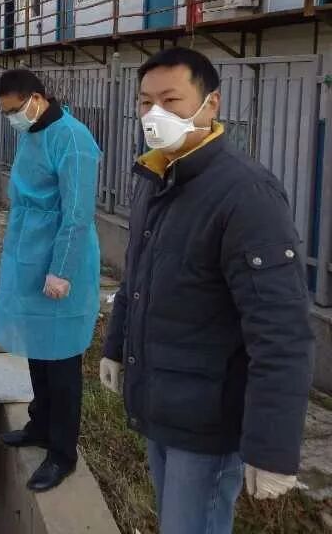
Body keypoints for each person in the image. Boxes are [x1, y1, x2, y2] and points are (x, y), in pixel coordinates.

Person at [100, 47, 313, 534]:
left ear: (211, 103)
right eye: (145, 102)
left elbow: (280, 328)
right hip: (162, 402)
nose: (155, 114)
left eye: (171, 100)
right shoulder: (157, 175)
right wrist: (116, 346)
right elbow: (137, 276)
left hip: (208, 421)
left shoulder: (246, 194)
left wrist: (273, 445)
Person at [0, 69, 101, 492]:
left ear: (36, 99)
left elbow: (77, 212)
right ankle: (39, 425)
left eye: (14, 110)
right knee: (38, 350)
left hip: (59, 256)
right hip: (30, 251)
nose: (12, 119)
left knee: (62, 361)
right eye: (6, 113)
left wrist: (62, 270)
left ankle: (62, 452)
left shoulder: (73, 139)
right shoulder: (33, 130)